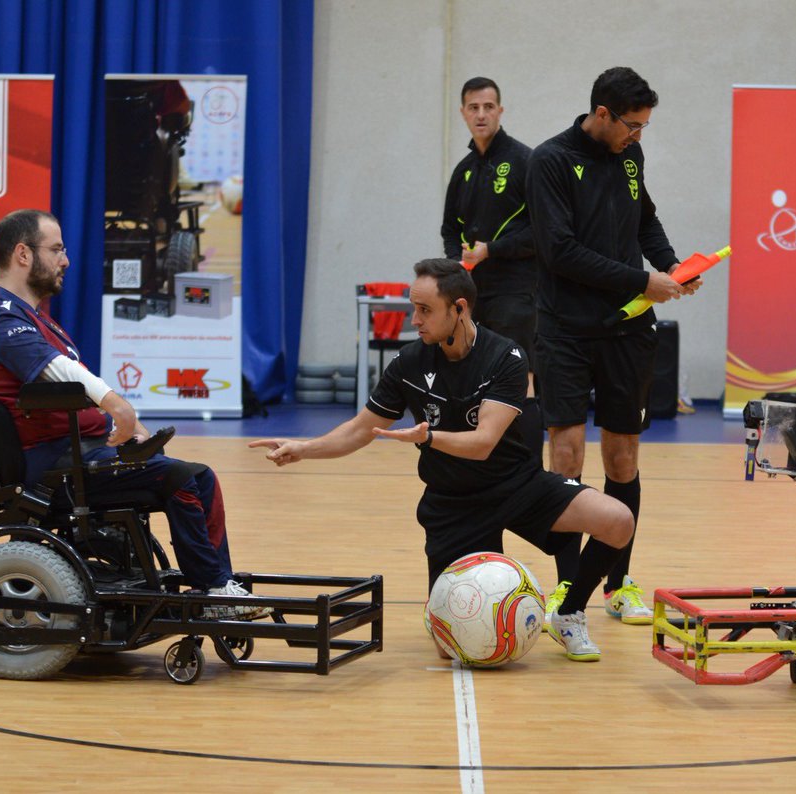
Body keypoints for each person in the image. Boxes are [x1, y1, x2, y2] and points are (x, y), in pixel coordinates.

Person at [250, 259, 635, 662]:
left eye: (425, 310)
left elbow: (484, 441)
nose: (414, 320)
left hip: (516, 485)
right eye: (412, 308)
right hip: (454, 503)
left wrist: (428, 436)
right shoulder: (409, 364)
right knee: (448, 650)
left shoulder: (507, 357)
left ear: (460, 308)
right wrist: (303, 447)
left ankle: (570, 613)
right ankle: (455, 608)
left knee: (617, 521)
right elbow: (362, 428)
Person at [0, 209, 266, 620]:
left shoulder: (30, 318)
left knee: (195, 476)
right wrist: (118, 406)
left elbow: (71, 382)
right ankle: (214, 591)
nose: (65, 260)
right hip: (56, 471)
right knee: (184, 479)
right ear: (22, 254)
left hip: (77, 456)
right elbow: (63, 373)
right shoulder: (4, 324)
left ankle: (217, 583)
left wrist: (128, 427)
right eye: (56, 249)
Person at [525, 66, 700, 626]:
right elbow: (560, 252)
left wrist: (670, 263)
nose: (637, 136)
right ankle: (566, 590)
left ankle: (618, 585)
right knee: (568, 456)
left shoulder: (630, 155)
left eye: (644, 127)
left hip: (627, 328)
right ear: (602, 114)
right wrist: (641, 280)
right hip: (566, 330)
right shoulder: (550, 161)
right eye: (631, 125)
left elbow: (643, 219)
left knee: (623, 457)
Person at [440, 77, 543, 463]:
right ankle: (484, 460)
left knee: (520, 376)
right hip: (471, 293)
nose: (481, 114)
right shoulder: (464, 170)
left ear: (500, 110)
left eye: (488, 107)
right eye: (473, 107)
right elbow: (450, 228)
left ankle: (528, 464)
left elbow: (544, 230)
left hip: (517, 290)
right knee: (473, 374)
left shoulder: (524, 161)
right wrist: (456, 265)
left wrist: (492, 250)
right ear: (463, 113)